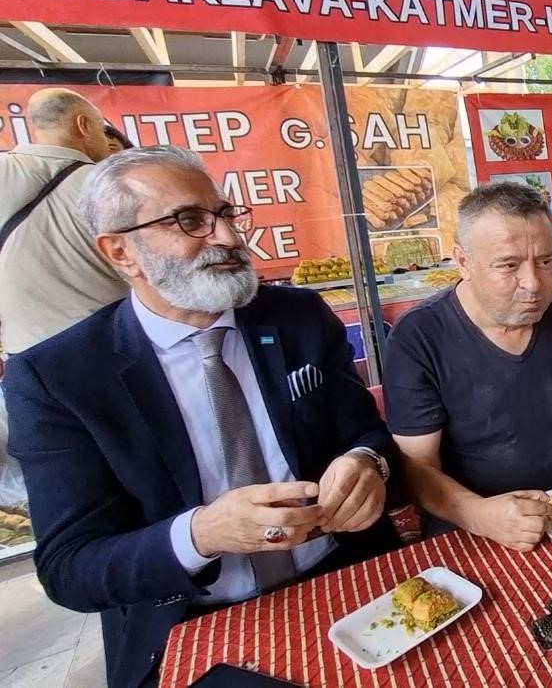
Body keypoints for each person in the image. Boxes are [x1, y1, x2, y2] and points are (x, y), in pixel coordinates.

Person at [2, 145, 396, 688]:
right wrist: (203, 533)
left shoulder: (299, 318)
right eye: (190, 220)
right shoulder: (57, 378)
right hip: (192, 618)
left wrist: (366, 462)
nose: (230, 238)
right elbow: (71, 567)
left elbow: (365, 431)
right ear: (121, 252)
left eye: (226, 214)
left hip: (347, 577)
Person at [383, 182, 552, 553]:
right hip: (470, 528)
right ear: (463, 262)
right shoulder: (418, 336)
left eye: (545, 261)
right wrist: (480, 515)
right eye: (508, 265)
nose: (533, 284)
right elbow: (417, 468)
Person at [0, 87, 124, 355]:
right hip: (109, 344)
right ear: (84, 124)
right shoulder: (111, 183)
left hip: (26, 351)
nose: (105, 141)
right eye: (102, 130)